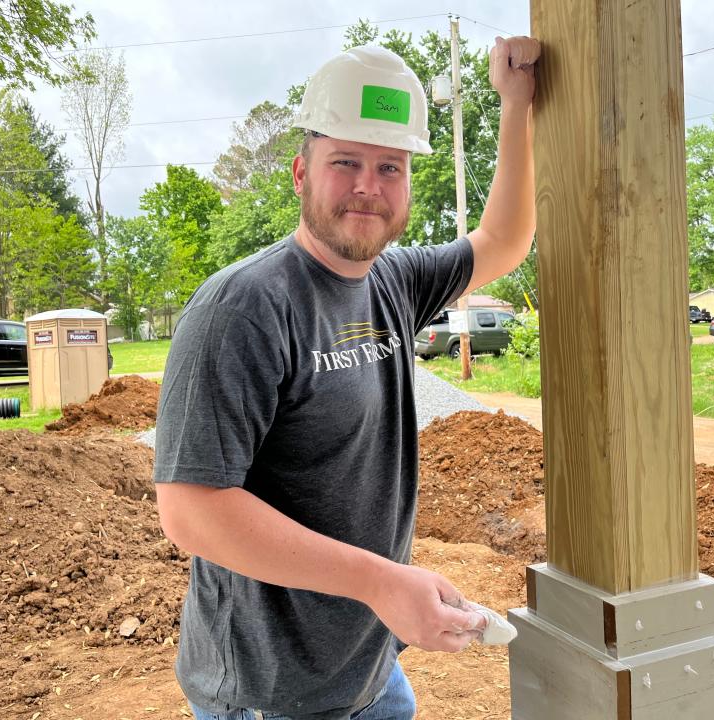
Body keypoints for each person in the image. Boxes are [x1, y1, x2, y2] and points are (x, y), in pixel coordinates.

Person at [154, 35, 541, 720]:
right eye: (346, 162)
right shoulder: (242, 309)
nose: (369, 185)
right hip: (267, 691)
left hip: (366, 666)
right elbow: (191, 511)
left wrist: (516, 107)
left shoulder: (393, 280)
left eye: (391, 167)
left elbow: (503, 241)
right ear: (301, 173)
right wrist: (381, 582)